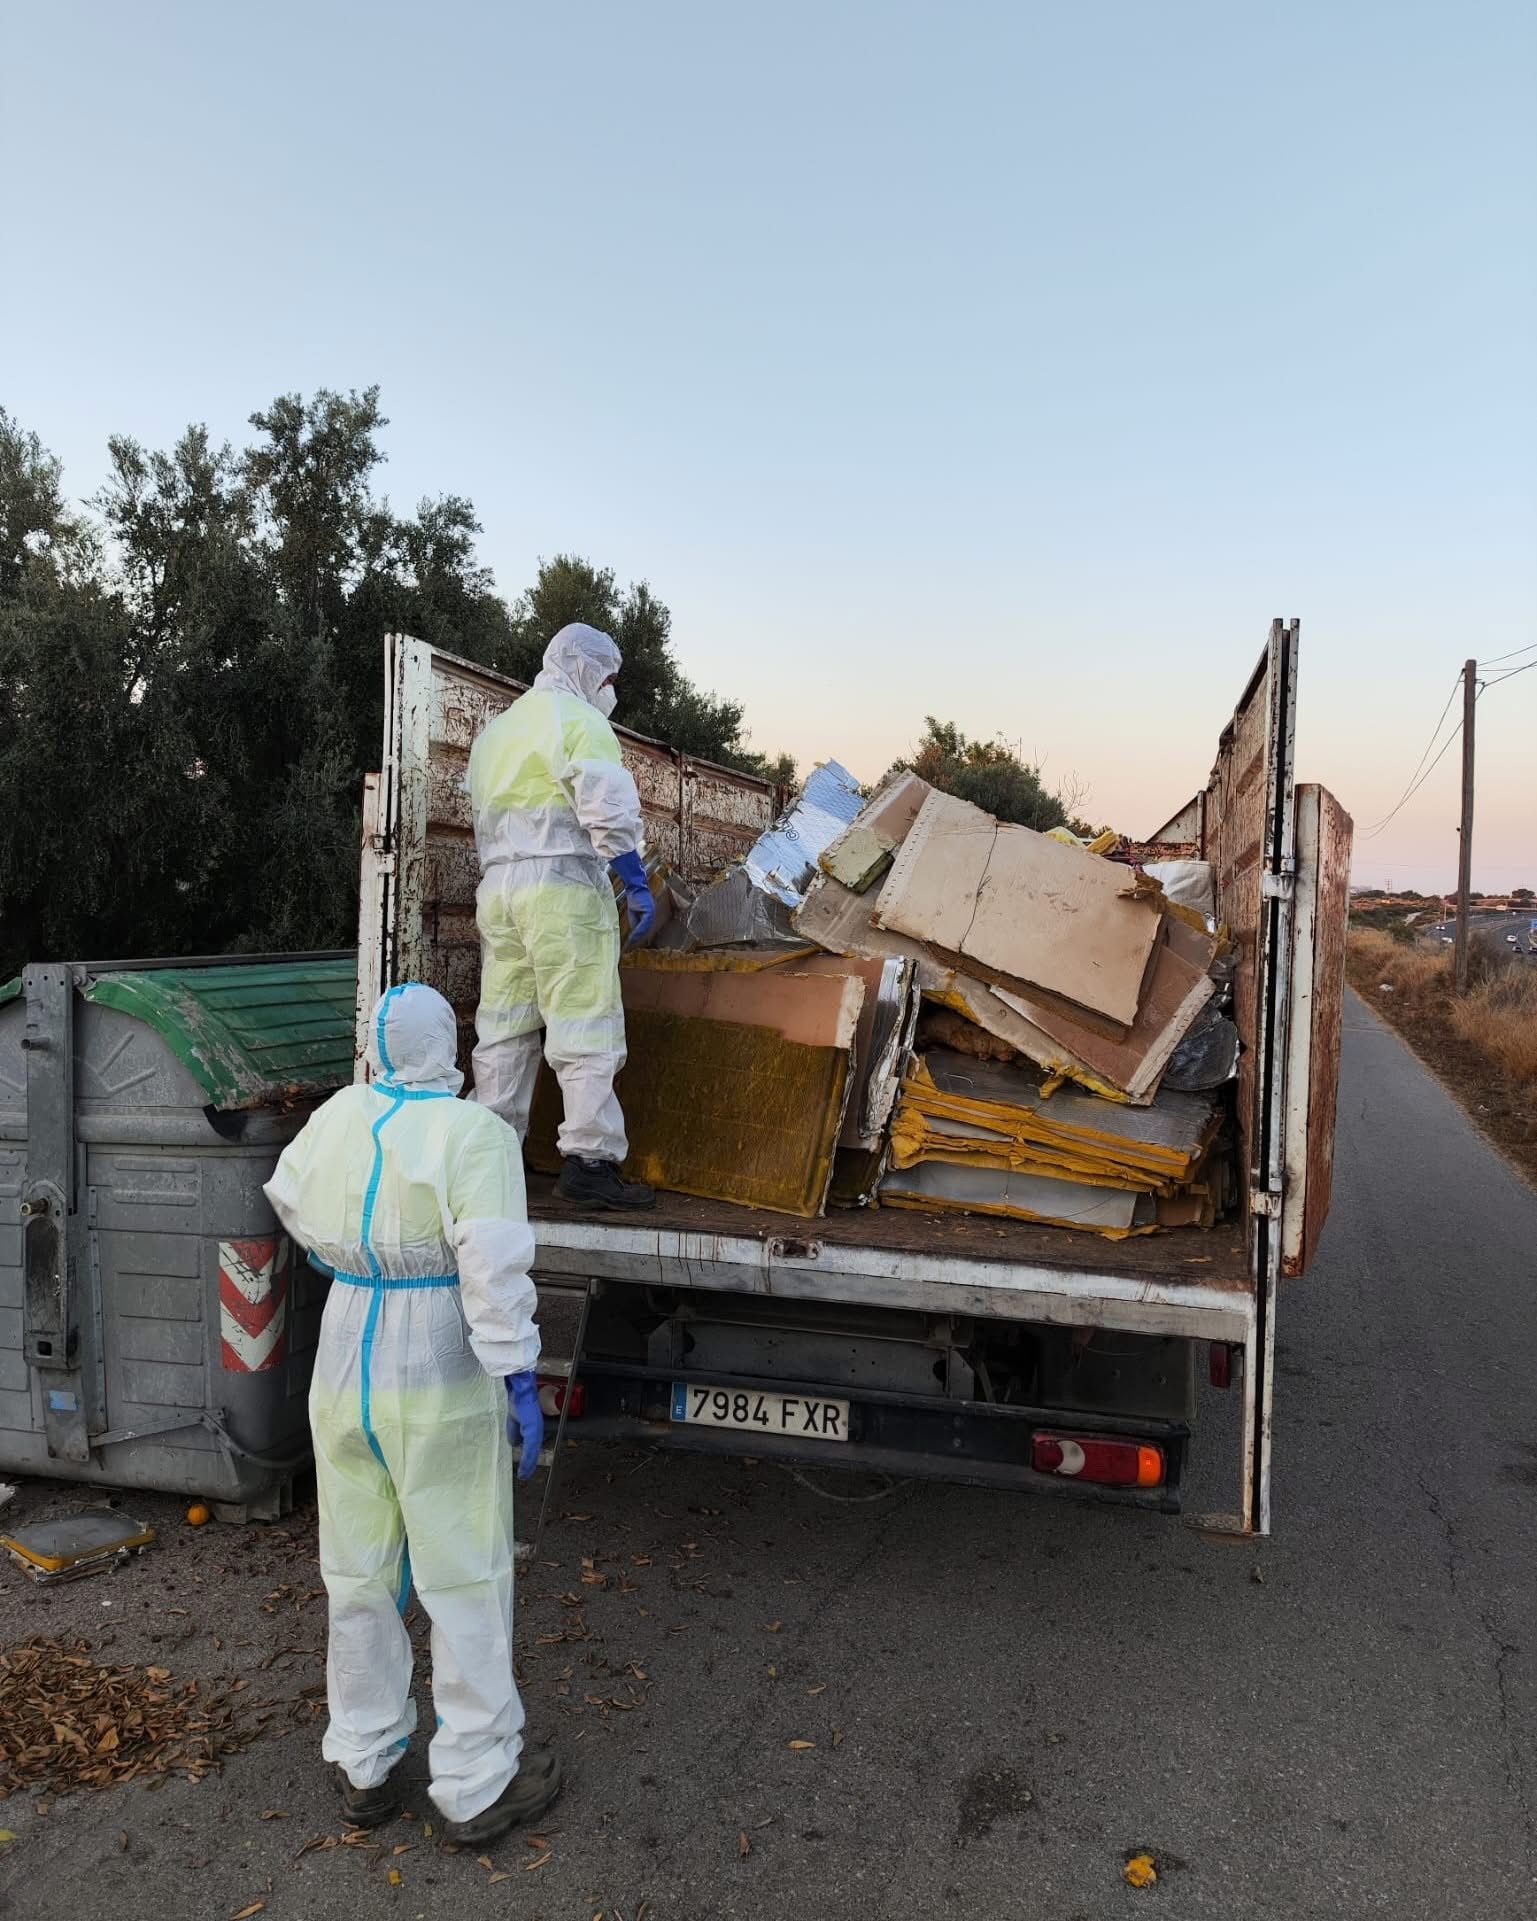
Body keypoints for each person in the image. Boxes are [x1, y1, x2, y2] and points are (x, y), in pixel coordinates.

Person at [263, 983, 561, 1845]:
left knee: (356, 1569)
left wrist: (347, 1256)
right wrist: (515, 1372)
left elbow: (286, 1198)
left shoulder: (338, 1114)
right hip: (435, 1351)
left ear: (377, 1044)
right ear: (451, 1046)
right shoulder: (475, 1134)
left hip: (347, 1334)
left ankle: (365, 1759)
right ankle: (474, 1778)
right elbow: (493, 1264)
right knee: (463, 1567)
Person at [468, 620, 657, 1209]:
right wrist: (634, 880)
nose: (609, 688)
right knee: (584, 1021)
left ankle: (491, 1161)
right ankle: (590, 1162)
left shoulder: (496, 733)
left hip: (498, 889)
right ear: (584, 668)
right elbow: (606, 807)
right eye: (607, 676)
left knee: (504, 1026)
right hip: (561, 888)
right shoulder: (581, 722)